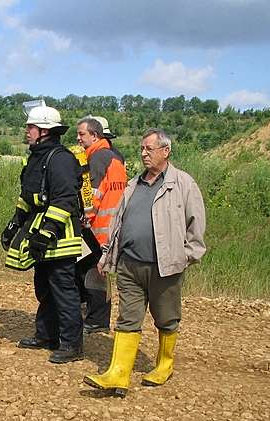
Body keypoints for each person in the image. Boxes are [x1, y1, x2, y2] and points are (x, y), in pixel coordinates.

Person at [83, 128, 206, 397]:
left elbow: (196, 227)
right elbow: (117, 224)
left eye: (149, 149)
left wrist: (185, 256)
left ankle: (164, 365)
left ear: (166, 151)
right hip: (130, 265)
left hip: (165, 266)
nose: (143, 153)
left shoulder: (183, 184)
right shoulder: (132, 185)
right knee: (127, 319)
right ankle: (118, 374)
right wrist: (107, 256)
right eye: (142, 148)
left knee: (166, 318)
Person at [1, 100, 84, 363]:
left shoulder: (61, 160)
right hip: (39, 231)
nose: (27, 131)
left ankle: (71, 344)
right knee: (44, 287)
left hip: (61, 236)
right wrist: (14, 224)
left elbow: (65, 200)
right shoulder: (37, 158)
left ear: (45, 131)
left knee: (63, 289)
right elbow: (29, 196)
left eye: (31, 127)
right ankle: (46, 334)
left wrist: (46, 233)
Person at [75, 116, 127, 334]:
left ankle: (95, 318)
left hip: (96, 227)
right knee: (98, 272)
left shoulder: (96, 159)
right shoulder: (116, 157)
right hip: (112, 227)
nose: (78, 139)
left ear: (96, 136)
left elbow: (91, 196)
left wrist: (83, 218)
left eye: (82, 134)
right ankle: (97, 316)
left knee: (88, 272)